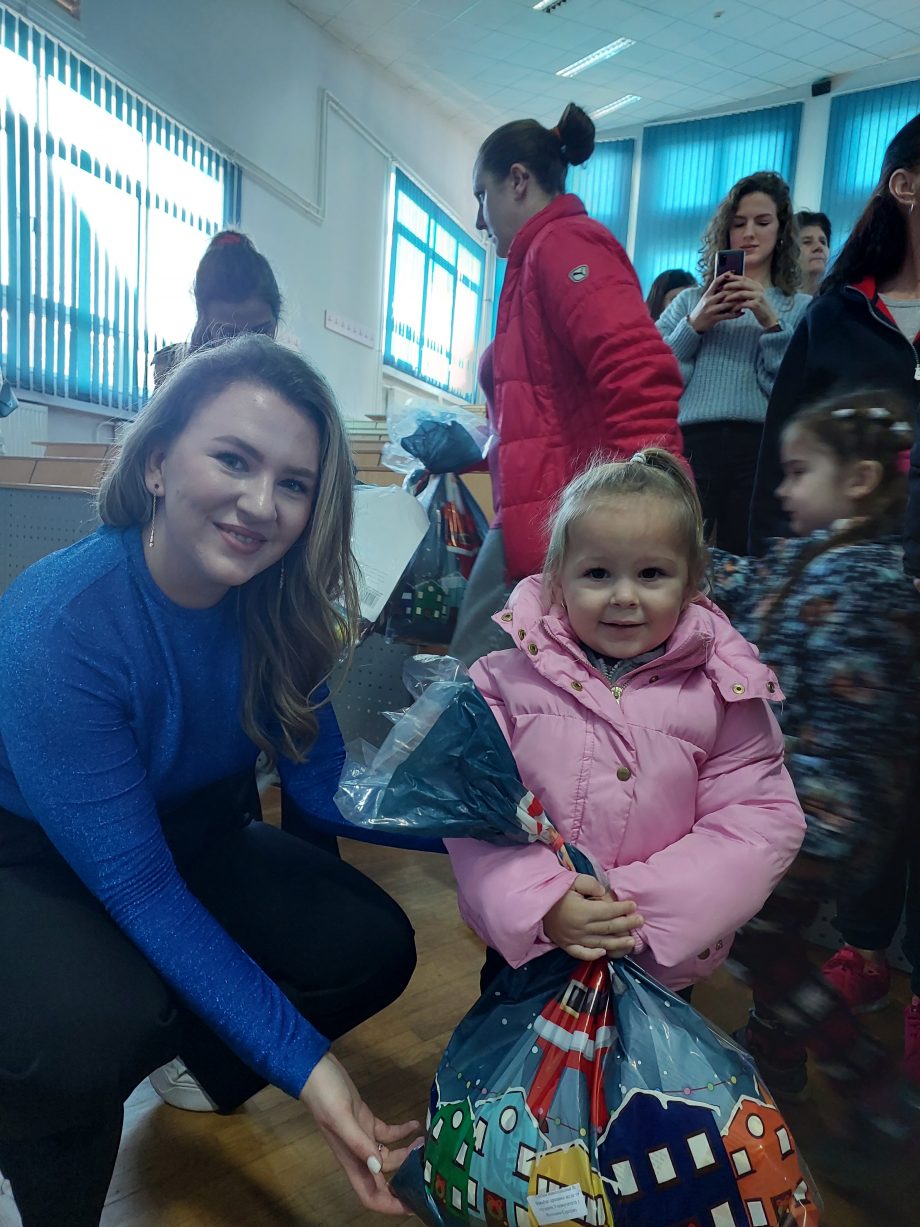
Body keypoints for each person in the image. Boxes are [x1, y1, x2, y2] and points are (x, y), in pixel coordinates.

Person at [0, 335, 419, 1225]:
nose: (262, 504)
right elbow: (140, 887)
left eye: (294, 482)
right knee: (88, 1032)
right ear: (156, 463)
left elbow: (324, 790)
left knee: (371, 943)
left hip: (178, 831)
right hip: (29, 856)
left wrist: (499, 821)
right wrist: (311, 1069)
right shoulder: (61, 624)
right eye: (233, 459)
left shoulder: (283, 610)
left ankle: (192, 1048)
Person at [445, 450, 805, 998]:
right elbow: (472, 810)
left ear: (690, 584)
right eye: (597, 573)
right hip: (536, 949)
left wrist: (628, 909)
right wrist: (543, 901)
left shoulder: (725, 694)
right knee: (519, 1056)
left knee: (639, 1059)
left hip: (654, 960)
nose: (623, 596)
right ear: (557, 580)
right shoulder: (502, 682)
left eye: (651, 574)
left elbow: (758, 822)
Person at [710, 395, 920, 1123]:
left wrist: (815, 825)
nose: (783, 488)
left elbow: (855, 728)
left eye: (800, 471)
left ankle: (863, 1076)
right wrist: (680, 550)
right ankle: (775, 1054)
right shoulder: (818, 560)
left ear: (859, 479)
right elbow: (752, 584)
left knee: (757, 944)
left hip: (820, 815)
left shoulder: (865, 585)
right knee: (779, 938)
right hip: (803, 806)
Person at [449, 103, 684, 665]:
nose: (480, 219)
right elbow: (545, 412)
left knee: (473, 682)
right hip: (547, 512)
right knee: (510, 689)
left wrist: (658, 501)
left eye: (482, 195)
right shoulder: (535, 260)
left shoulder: (565, 245)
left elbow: (637, 372)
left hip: (568, 516)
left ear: (518, 180)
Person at [750, 114, 920, 554]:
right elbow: (780, 462)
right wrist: (770, 568)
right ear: (906, 187)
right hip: (844, 578)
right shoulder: (834, 316)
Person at [657, 171, 810, 553]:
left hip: (759, 448)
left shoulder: (800, 307)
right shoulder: (689, 301)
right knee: (674, 552)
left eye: (763, 222)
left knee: (747, 557)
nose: (749, 233)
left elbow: (793, 393)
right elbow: (655, 379)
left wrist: (771, 321)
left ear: (782, 230)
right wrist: (695, 325)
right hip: (690, 444)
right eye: (739, 223)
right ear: (725, 231)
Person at [153, 229, 281, 386]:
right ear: (205, 324)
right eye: (229, 334)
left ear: (276, 318)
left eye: (261, 332)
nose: (248, 350)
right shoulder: (174, 376)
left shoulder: (291, 383)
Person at [795, 209, 832, 295]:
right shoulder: (773, 298)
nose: (819, 247)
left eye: (823, 242)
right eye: (807, 242)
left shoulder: (836, 298)